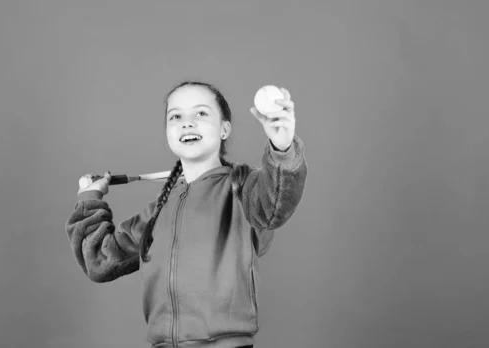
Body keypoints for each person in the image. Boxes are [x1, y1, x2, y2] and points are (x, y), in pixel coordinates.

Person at [65, 81, 308, 348]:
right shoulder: (158, 210)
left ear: (224, 128)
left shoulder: (244, 188)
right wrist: (89, 199)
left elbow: (274, 205)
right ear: (168, 132)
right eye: (176, 116)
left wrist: (282, 148)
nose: (187, 123)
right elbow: (100, 260)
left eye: (201, 113)